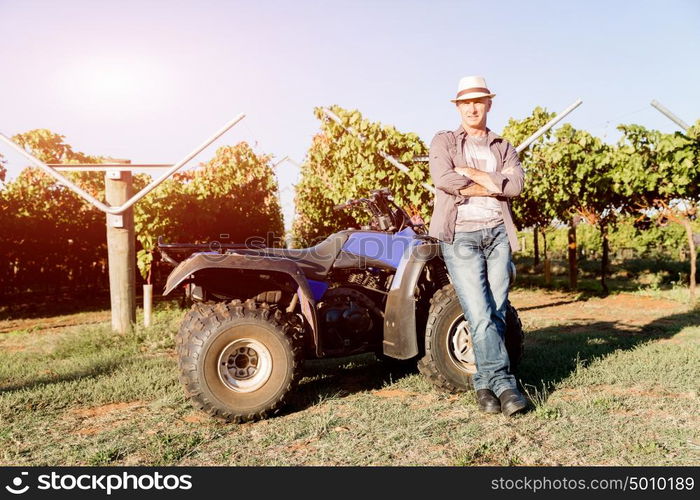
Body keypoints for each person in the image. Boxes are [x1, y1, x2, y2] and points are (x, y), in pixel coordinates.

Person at [428, 75, 528, 417]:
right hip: (461, 235)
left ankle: (484, 382)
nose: (472, 107)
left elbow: (515, 186)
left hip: (498, 233)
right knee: (479, 312)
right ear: (458, 107)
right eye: (465, 103)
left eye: (479, 101)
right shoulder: (443, 141)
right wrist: (491, 183)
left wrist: (474, 176)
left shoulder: (503, 146)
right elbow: (443, 179)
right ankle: (504, 383)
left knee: (497, 311)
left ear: (489, 104)